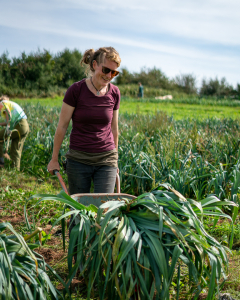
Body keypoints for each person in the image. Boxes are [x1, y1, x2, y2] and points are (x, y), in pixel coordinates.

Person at [47, 47, 121, 196]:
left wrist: (115, 159)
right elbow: (62, 126)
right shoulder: (76, 90)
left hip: (106, 158)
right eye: (106, 70)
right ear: (94, 65)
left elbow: (114, 128)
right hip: (79, 158)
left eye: (114, 73)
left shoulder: (114, 92)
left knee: (105, 207)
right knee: (78, 212)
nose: (109, 76)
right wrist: (54, 159)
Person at [0, 96, 29, 170]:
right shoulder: (10, 103)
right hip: (24, 126)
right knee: (15, 150)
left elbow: (8, 113)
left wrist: (8, 127)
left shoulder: (2, 103)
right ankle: (15, 171)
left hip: (19, 125)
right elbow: (8, 119)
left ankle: (1, 162)